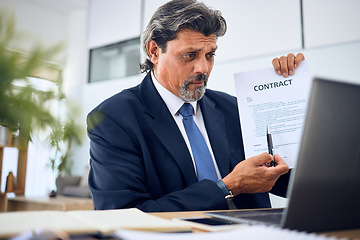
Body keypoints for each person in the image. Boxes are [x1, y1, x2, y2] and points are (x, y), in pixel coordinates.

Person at [87, 0, 305, 212]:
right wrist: (227, 187)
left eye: (210, 55)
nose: (203, 68)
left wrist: (291, 94)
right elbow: (122, 215)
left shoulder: (233, 108)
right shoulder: (113, 119)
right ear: (154, 51)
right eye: (189, 55)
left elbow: (287, 182)